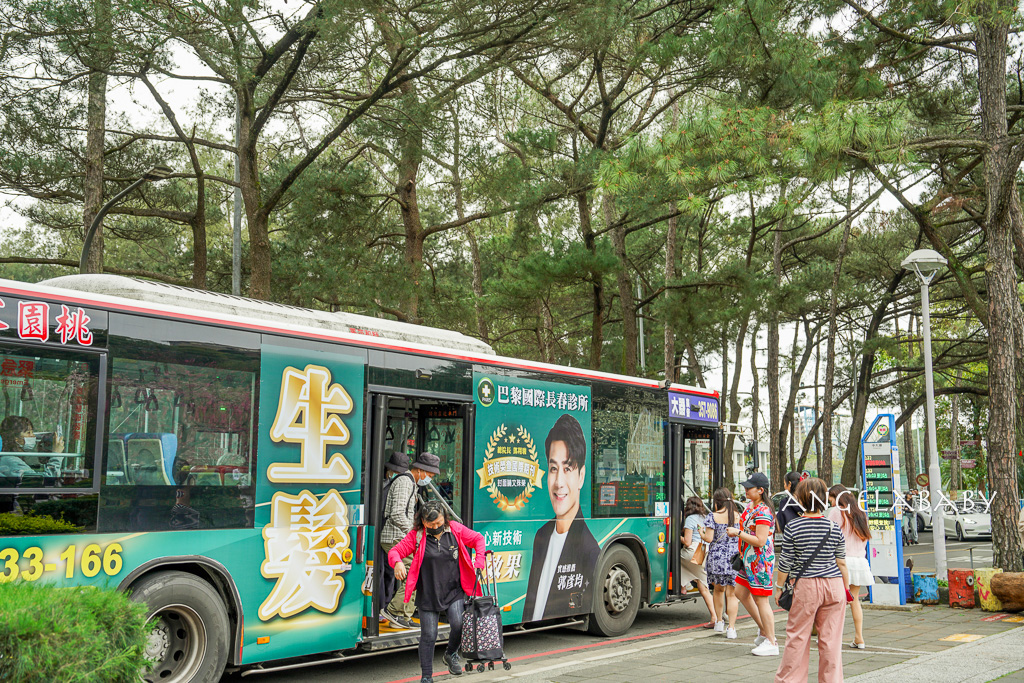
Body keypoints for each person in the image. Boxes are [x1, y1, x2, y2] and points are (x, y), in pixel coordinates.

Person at [389, 500, 487, 683]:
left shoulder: (455, 530)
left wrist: (479, 562)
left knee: (459, 624)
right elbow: (395, 551)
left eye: (439, 523)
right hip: (428, 592)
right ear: (423, 522)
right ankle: (426, 676)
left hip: (454, 590)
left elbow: (478, 539)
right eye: (431, 524)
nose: (436, 527)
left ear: (445, 519)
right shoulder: (416, 536)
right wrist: (398, 562)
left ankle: (450, 654)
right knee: (429, 635)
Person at [523, 414, 600, 622]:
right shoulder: (541, 535)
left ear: (581, 477)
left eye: (567, 469)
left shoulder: (590, 551)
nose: (558, 482)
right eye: (553, 468)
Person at [775, 478, 851, 683]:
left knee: (798, 637)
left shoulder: (793, 527)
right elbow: (842, 563)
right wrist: (846, 589)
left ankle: (790, 680)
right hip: (834, 584)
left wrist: (778, 587)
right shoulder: (833, 527)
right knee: (831, 641)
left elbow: (786, 561)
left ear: (800, 498)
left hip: (806, 586)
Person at [381, 451, 440, 629]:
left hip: (398, 536)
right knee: (416, 571)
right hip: (395, 537)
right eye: (429, 475)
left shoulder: (410, 483)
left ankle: (403, 616)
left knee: (417, 570)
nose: (429, 479)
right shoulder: (404, 482)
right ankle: (394, 611)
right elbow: (397, 513)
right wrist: (414, 535)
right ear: (420, 470)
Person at [728, 471, 778, 656]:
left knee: (761, 599)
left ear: (761, 490)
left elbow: (761, 540)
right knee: (741, 592)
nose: (746, 490)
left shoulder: (763, 511)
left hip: (759, 562)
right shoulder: (751, 507)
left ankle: (772, 641)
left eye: (750, 488)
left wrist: (737, 533)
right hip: (748, 560)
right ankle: (764, 630)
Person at [827, 484, 873, 649]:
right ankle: (859, 638)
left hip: (842, 562)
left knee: (836, 602)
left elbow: (828, 535)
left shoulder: (836, 512)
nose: (830, 502)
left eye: (831, 498)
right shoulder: (861, 514)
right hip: (860, 562)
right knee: (853, 600)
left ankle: (832, 638)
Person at [702, 487, 740, 637]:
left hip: (717, 557)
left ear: (717, 501)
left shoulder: (713, 516)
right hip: (734, 558)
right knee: (732, 594)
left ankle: (718, 622)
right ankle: (731, 628)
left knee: (718, 590)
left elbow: (709, 539)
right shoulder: (739, 516)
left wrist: (701, 534)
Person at [378, 451, 412, 620]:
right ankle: (388, 609)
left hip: (385, 532)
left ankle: (385, 607)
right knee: (387, 571)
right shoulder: (400, 483)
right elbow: (397, 513)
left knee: (388, 572)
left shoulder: (390, 482)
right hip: (389, 533)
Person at [680, 496, 717, 627]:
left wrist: (678, 536)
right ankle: (715, 616)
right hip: (703, 551)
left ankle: (684, 585)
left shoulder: (690, 519)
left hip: (692, 552)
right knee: (703, 585)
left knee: (675, 559)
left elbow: (687, 541)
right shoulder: (705, 517)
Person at [0, 415, 64, 480]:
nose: (33, 436)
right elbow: (44, 482)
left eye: (32, 432)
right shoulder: (10, 461)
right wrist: (56, 454)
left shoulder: (12, 458)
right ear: (15, 437)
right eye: (28, 432)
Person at [776, 471, 804, 537]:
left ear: (790, 484)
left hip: (790, 538)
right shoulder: (809, 501)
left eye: (785, 484)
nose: (784, 486)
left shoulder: (785, 502)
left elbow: (781, 525)